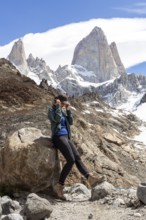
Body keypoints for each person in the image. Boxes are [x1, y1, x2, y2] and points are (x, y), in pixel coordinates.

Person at [48, 94, 105, 200]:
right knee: (70, 160)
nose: (65, 105)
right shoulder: (51, 110)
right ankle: (59, 186)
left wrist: (68, 111)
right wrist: (57, 107)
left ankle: (90, 178)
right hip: (58, 136)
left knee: (77, 157)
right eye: (64, 104)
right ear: (58, 101)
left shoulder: (64, 110)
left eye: (65, 104)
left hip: (66, 137)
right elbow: (56, 119)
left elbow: (70, 122)